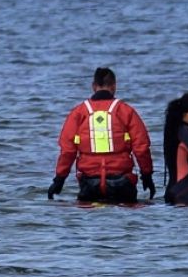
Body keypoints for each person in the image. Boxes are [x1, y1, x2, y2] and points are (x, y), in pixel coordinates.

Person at [48, 67, 155, 203]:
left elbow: (68, 151)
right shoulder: (126, 111)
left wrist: (59, 180)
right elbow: (141, 147)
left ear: (94, 86)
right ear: (114, 86)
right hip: (122, 183)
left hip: (89, 183)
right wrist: (147, 176)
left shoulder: (78, 113)